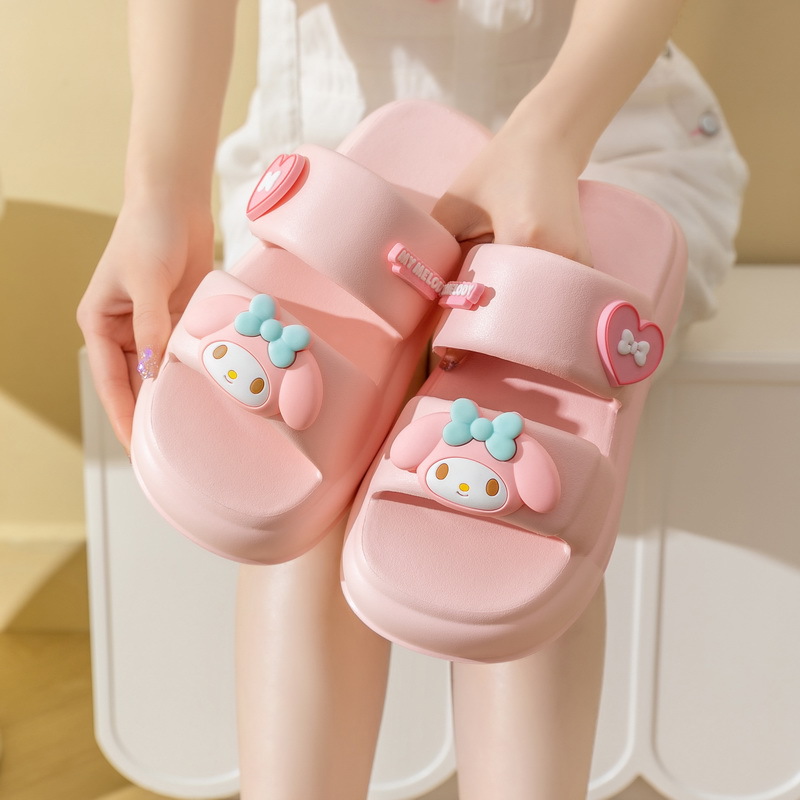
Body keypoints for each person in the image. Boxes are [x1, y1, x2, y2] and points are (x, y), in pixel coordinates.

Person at [77, 0, 747, 797]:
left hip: (599, 136)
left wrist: (549, 137)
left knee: (504, 490)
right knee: (313, 498)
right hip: (357, 159)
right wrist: (161, 188)